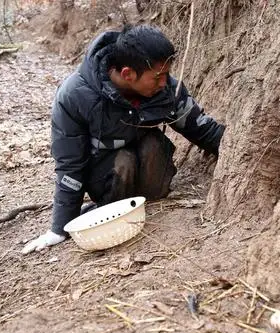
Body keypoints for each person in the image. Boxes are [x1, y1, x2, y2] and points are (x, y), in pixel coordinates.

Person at [22, 24, 225, 254]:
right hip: (109, 176)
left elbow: (199, 127)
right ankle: (107, 209)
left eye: (166, 74)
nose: (164, 82)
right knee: (123, 160)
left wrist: (234, 149)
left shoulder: (165, 88)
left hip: (152, 181)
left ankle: (147, 200)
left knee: (153, 145)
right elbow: (70, 165)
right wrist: (60, 228)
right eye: (158, 76)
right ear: (128, 73)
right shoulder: (74, 96)